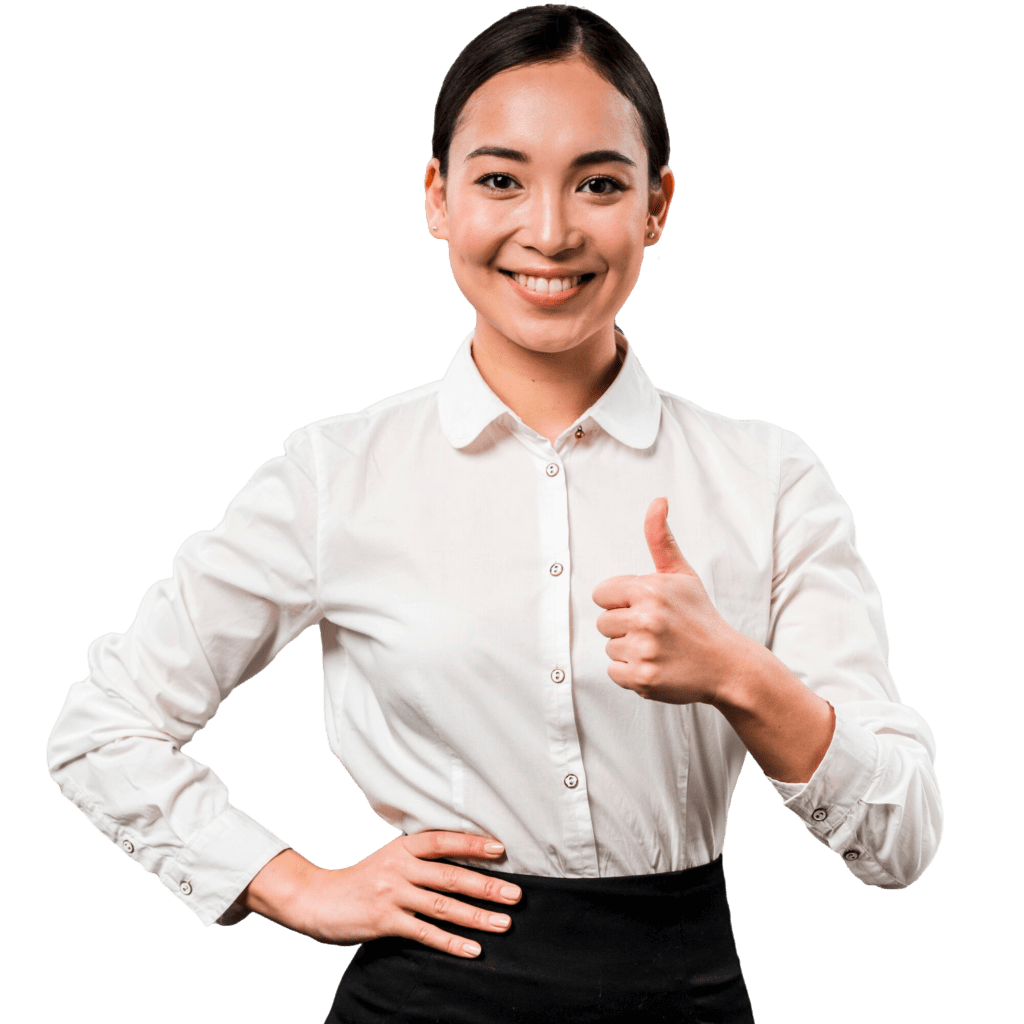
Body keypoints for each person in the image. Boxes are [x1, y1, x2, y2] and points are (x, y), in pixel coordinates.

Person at [46, 6, 943, 1022]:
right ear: (437, 198)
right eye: (500, 179)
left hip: (683, 994)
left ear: (657, 206)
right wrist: (293, 882)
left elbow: (901, 843)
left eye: (599, 183)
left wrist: (740, 673)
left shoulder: (766, 477)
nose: (550, 230)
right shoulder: (335, 473)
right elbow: (101, 729)